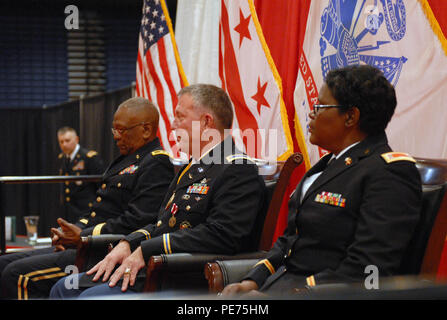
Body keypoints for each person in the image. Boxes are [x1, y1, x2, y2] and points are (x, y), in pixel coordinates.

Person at [221, 64, 422, 297]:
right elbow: (291, 240)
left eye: (320, 106)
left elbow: (369, 269)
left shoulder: (389, 172)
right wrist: (251, 282)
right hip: (281, 286)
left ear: (350, 117)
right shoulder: (329, 166)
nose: (311, 113)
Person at [50, 83, 267, 299]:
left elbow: (222, 236)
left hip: (183, 275)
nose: (173, 125)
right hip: (157, 268)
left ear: (206, 122)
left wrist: (147, 249)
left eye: (180, 117)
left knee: (85, 296)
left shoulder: (237, 168)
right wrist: (130, 242)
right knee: (63, 288)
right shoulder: (191, 168)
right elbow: (162, 222)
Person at [0, 97, 175, 299]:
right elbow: (97, 209)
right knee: (4, 262)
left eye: (122, 130)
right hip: (87, 244)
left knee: (16, 275)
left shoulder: (156, 163)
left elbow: (137, 221)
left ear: (145, 130)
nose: (116, 136)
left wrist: (84, 236)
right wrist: (71, 232)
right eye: (114, 130)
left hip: (102, 251)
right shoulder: (124, 161)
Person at [57, 126, 105, 223]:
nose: (64, 144)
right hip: (69, 212)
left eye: (67, 140)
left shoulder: (89, 157)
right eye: (61, 142)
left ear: (76, 139)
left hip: (86, 212)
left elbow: (101, 186)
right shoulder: (62, 158)